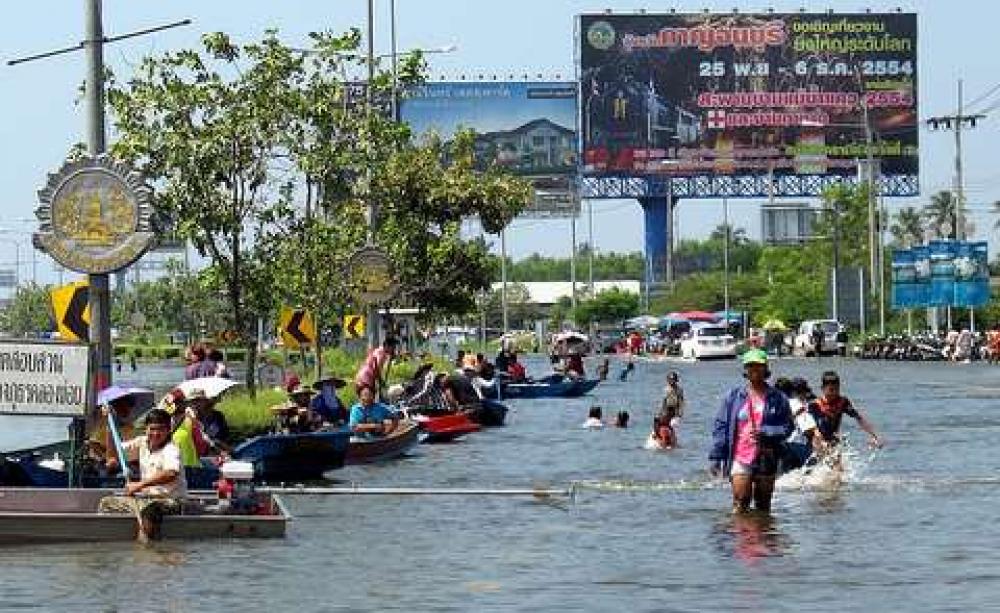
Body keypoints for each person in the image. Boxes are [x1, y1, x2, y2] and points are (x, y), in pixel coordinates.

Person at [709, 349, 793, 514]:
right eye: (750, 365)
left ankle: (764, 538)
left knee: (763, 506)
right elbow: (721, 427)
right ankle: (743, 538)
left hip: (767, 455)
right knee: (741, 503)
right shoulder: (733, 397)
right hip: (740, 455)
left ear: (765, 368)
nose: (754, 369)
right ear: (745, 370)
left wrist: (767, 432)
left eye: (758, 365)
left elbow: (788, 426)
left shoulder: (778, 398)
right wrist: (717, 456)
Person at [99, 408, 187, 540]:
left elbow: (170, 473)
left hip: (171, 500)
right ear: (146, 429)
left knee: (150, 511)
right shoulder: (142, 443)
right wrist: (109, 427)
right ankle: (114, 537)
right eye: (152, 429)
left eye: (161, 429)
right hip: (145, 498)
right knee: (106, 502)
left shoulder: (171, 449)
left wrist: (139, 485)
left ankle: (147, 546)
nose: (156, 433)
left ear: (168, 430)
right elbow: (113, 455)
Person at [808, 371, 883, 450]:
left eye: (837, 389)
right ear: (822, 388)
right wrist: (821, 441)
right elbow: (810, 427)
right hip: (817, 441)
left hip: (833, 440)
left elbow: (859, 419)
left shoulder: (842, 402)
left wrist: (875, 436)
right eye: (831, 390)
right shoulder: (815, 404)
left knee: (838, 456)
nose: (834, 393)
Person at [774, 377, 825, 472]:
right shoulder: (799, 405)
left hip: (782, 446)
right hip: (798, 446)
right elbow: (810, 430)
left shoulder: (778, 404)